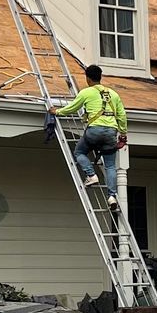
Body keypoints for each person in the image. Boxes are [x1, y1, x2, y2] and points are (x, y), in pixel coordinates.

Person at [54, 64, 128, 207]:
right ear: (100, 77)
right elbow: (122, 116)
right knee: (111, 166)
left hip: (94, 131)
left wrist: (57, 112)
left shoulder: (86, 92)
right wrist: (123, 135)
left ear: (87, 78)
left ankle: (91, 175)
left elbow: (72, 108)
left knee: (79, 152)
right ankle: (112, 197)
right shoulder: (113, 94)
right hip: (111, 132)